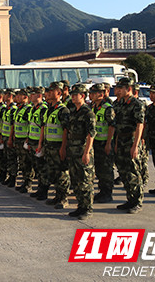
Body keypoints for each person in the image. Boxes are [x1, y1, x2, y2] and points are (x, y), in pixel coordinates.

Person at [113, 77, 145, 214]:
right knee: (123, 172)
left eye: (121, 88)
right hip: (120, 141)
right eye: (117, 88)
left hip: (131, 141)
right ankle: (129, 199)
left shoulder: (137, 104)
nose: (118, 91)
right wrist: (114, 143)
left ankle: (137, 201)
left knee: (133, 172)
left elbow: (140, 125)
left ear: (129, 89)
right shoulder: (118, 104)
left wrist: (135, 145)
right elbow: (115, 126)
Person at [67, 84, 96, 220]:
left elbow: (91, 134)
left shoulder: (87, 113)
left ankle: (87, 208)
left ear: (82, 96)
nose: (73, 97)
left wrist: (87, 152)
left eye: (75, 95)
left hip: (82, 149)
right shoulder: (74, 111)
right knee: (76, 179)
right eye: (72, 94)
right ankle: (80, 206)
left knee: (85, 180)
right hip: (73, 149)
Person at [40, 82, 70, 208]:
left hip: (58, 147)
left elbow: (66, 130)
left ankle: (63, 198)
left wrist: (63, 147)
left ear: (59, 93)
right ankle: (57, 196)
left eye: (52, 91)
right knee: (54, 172)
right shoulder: (49, 110)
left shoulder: (63, 110)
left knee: (62, 173)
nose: (49, 93)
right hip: (49, 146)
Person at [89, 83, 116, 203]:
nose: (91, 95)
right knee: (99, 168)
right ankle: (102, 191)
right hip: (96, 142)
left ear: (101, 94)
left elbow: (112, 126)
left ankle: (107, 193)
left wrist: (109, 143)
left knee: (106, 169)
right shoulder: (94, 107)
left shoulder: (107, 108)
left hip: (104, 142)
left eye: (94, 93)